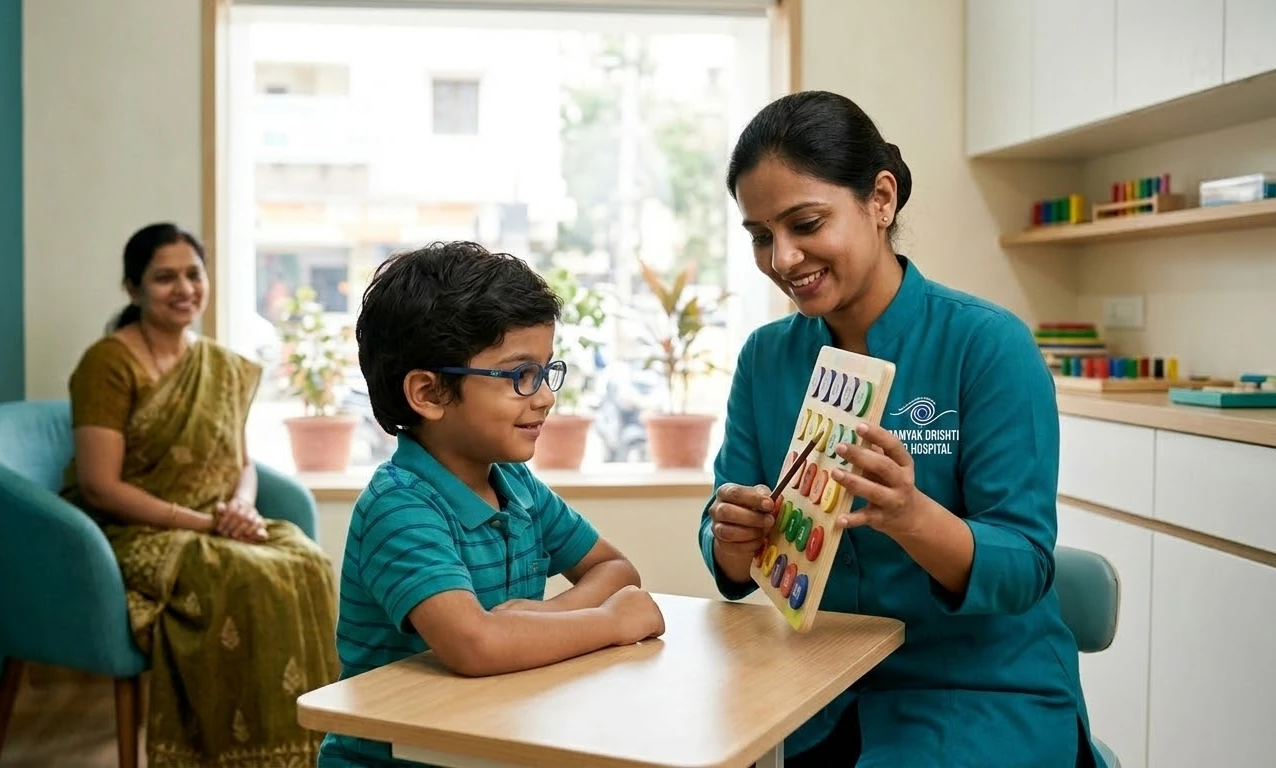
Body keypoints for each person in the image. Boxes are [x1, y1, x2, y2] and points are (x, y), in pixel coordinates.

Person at [700, 91, 1103, 768]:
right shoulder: (766, 358)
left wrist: (912, 515)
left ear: (880, 199)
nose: (783, 258)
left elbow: (1027, 567)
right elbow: (727, 550)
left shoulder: (989, 345)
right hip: (819, 695)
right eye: (761, 236)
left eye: (805, 223)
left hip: (979, 694)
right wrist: (732, 536)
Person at [319, 241, 666, 768]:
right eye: (519, 375)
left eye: (547, 371)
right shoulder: (400, 507)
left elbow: (615, 569)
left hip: (486, 746)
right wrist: (613, 623)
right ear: (430, 394)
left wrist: (539, 616)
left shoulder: (516, 485)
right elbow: (476, 644)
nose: (546, 395)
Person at [59, 222, 339, 768]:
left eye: (194, 273)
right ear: (132, 288)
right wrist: (205, 524)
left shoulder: (219, 364)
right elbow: (99, 484)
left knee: (307, 561)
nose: (184, 288)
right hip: (136, 529)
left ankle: (310, 749)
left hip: (216, 520)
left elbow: (242, 463)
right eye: (165, 278)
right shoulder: (108, 363)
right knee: (246, 576)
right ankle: (232, 754)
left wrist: (240, 506)